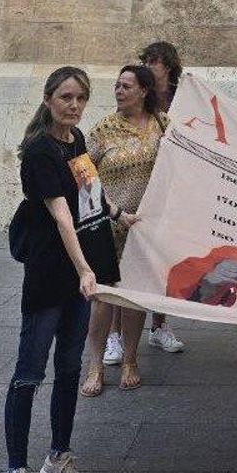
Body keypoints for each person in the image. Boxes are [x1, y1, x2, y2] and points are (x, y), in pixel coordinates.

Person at [0, 66, 139, 473]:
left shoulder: (76, 140)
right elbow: (62, 216)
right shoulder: (40, 152)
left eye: (80, 97)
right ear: (48, 99)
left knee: (67, 370)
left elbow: (89, 191)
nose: (73, 105)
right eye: (65, 97)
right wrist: (85, 269)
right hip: (50, 275)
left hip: (80, 277)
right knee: (28, 373)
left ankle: (57, 461)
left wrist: (120, 215)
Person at [80, 65, 169, 396]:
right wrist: (112, 212)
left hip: (145, 228)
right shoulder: (104, 128)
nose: (118, 91)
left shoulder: (163, 125)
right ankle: (96, 365)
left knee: (134, 297)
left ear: (143, 91)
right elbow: (82, 175)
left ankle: (131, 361)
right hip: (108, 226)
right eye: (117, 85)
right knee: (103, 299)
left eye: (126, 86)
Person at [136, 41, 186, 354]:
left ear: (166, 64)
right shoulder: (141, 94)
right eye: (145, 60)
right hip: (141, 181)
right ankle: (116, 333)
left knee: (165, 258)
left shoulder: (185, 97)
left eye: (152, 60)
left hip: (173, 184)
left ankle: (160, 325)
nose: (148, 65)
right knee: (131, 257)